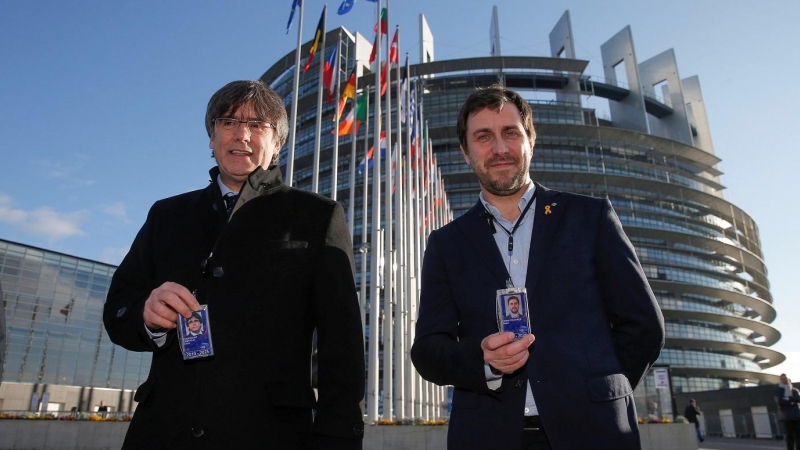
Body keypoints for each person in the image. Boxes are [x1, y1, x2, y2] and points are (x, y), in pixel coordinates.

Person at [103, 80, 365, 449]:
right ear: (212, 138)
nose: (241, 134)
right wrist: (147, 315)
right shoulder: (167, 215)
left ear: (277, 145)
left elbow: (343, 346)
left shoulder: (318, 216)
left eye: (258, 125)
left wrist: (337, 438)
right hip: (163, 430)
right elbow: (117, 310)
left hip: (271, 433)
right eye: (227, 122)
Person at [410, 85, 665, 450]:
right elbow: (428, 350)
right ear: (466, 153)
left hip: (594, 433)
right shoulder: (446, 243)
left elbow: (643, 327)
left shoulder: (590, 219)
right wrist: (482, 360)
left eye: (510, 133)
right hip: (486, 435)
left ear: (530, 140)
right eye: (484, 137)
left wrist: (599, 391)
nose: (499, 148)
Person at [776, 373, 800, 450]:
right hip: (787, 416)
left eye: (785, 378)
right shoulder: (780, 391)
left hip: (796, 415)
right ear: (781, 380)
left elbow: (798, 399)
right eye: (783, 378)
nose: (785, 380)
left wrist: (788, 399)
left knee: (798, 435)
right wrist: (792, 401)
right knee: (790, 435)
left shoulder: (795, 390)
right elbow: (781, 401)